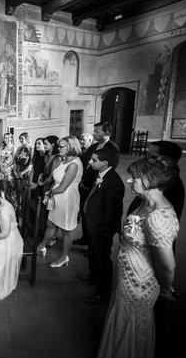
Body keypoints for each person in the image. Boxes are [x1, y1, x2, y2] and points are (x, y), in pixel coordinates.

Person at [95, 154, 179, 358]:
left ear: (150, 180)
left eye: (135, 177)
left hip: (140, 283)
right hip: (127, 277)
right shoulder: (145, 204)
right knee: (121, 318)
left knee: (132, 324)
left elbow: (167, 265)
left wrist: (167, 287)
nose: (130, 181)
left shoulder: (158, 218)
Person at [78, 148, 124, 304]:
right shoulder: (100, 174)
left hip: (101, 228)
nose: (90, 162)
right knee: (93, 253)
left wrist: (106, 232)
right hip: (93, 223)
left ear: (105, 163)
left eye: (94, 160)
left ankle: (103, 291)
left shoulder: (112, 181)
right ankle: (93, 275)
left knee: (102, 258)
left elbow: (114, 211)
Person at [38, 136, 83, 267]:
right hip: (57, 196)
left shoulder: (74, 164)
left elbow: (63, 187)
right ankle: (41, 246)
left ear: (71, 147)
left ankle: (64, 257)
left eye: (62, 146)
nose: (58, 148)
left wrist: (49, 192)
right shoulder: (64, 160)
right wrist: (51, 194)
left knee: (66, 230)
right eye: (59, 146)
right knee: (50, 223)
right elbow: (56, 180)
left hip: (67, 198)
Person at [76, 122, 120, 246]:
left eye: (96, 132)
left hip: (96, 185)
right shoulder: (94, 146)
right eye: (94, 131)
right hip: (85, 183)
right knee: (85, 211)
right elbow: (84, 159)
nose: (94, 134)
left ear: (107, 133)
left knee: (94, 214)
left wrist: (92, 184)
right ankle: (85, 237)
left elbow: (107, 171)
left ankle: (93, 243)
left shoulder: (113, 149)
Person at [126, 140, 185, 222]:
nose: (144, 159)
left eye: (150, 156)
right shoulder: (152, 180)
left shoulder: (170, 186)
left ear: (163, 161)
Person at [12, 132, 33, 199]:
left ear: (27, 139)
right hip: (17, 173)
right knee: (17, 192)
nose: (21, 140)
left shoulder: (31, 149)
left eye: (22, 138)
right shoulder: (19, 148)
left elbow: (31, 164)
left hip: (25, 174)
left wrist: (22, 173)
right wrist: (15, 171)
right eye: (20, 139)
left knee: (24, 193)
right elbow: (15, 161)